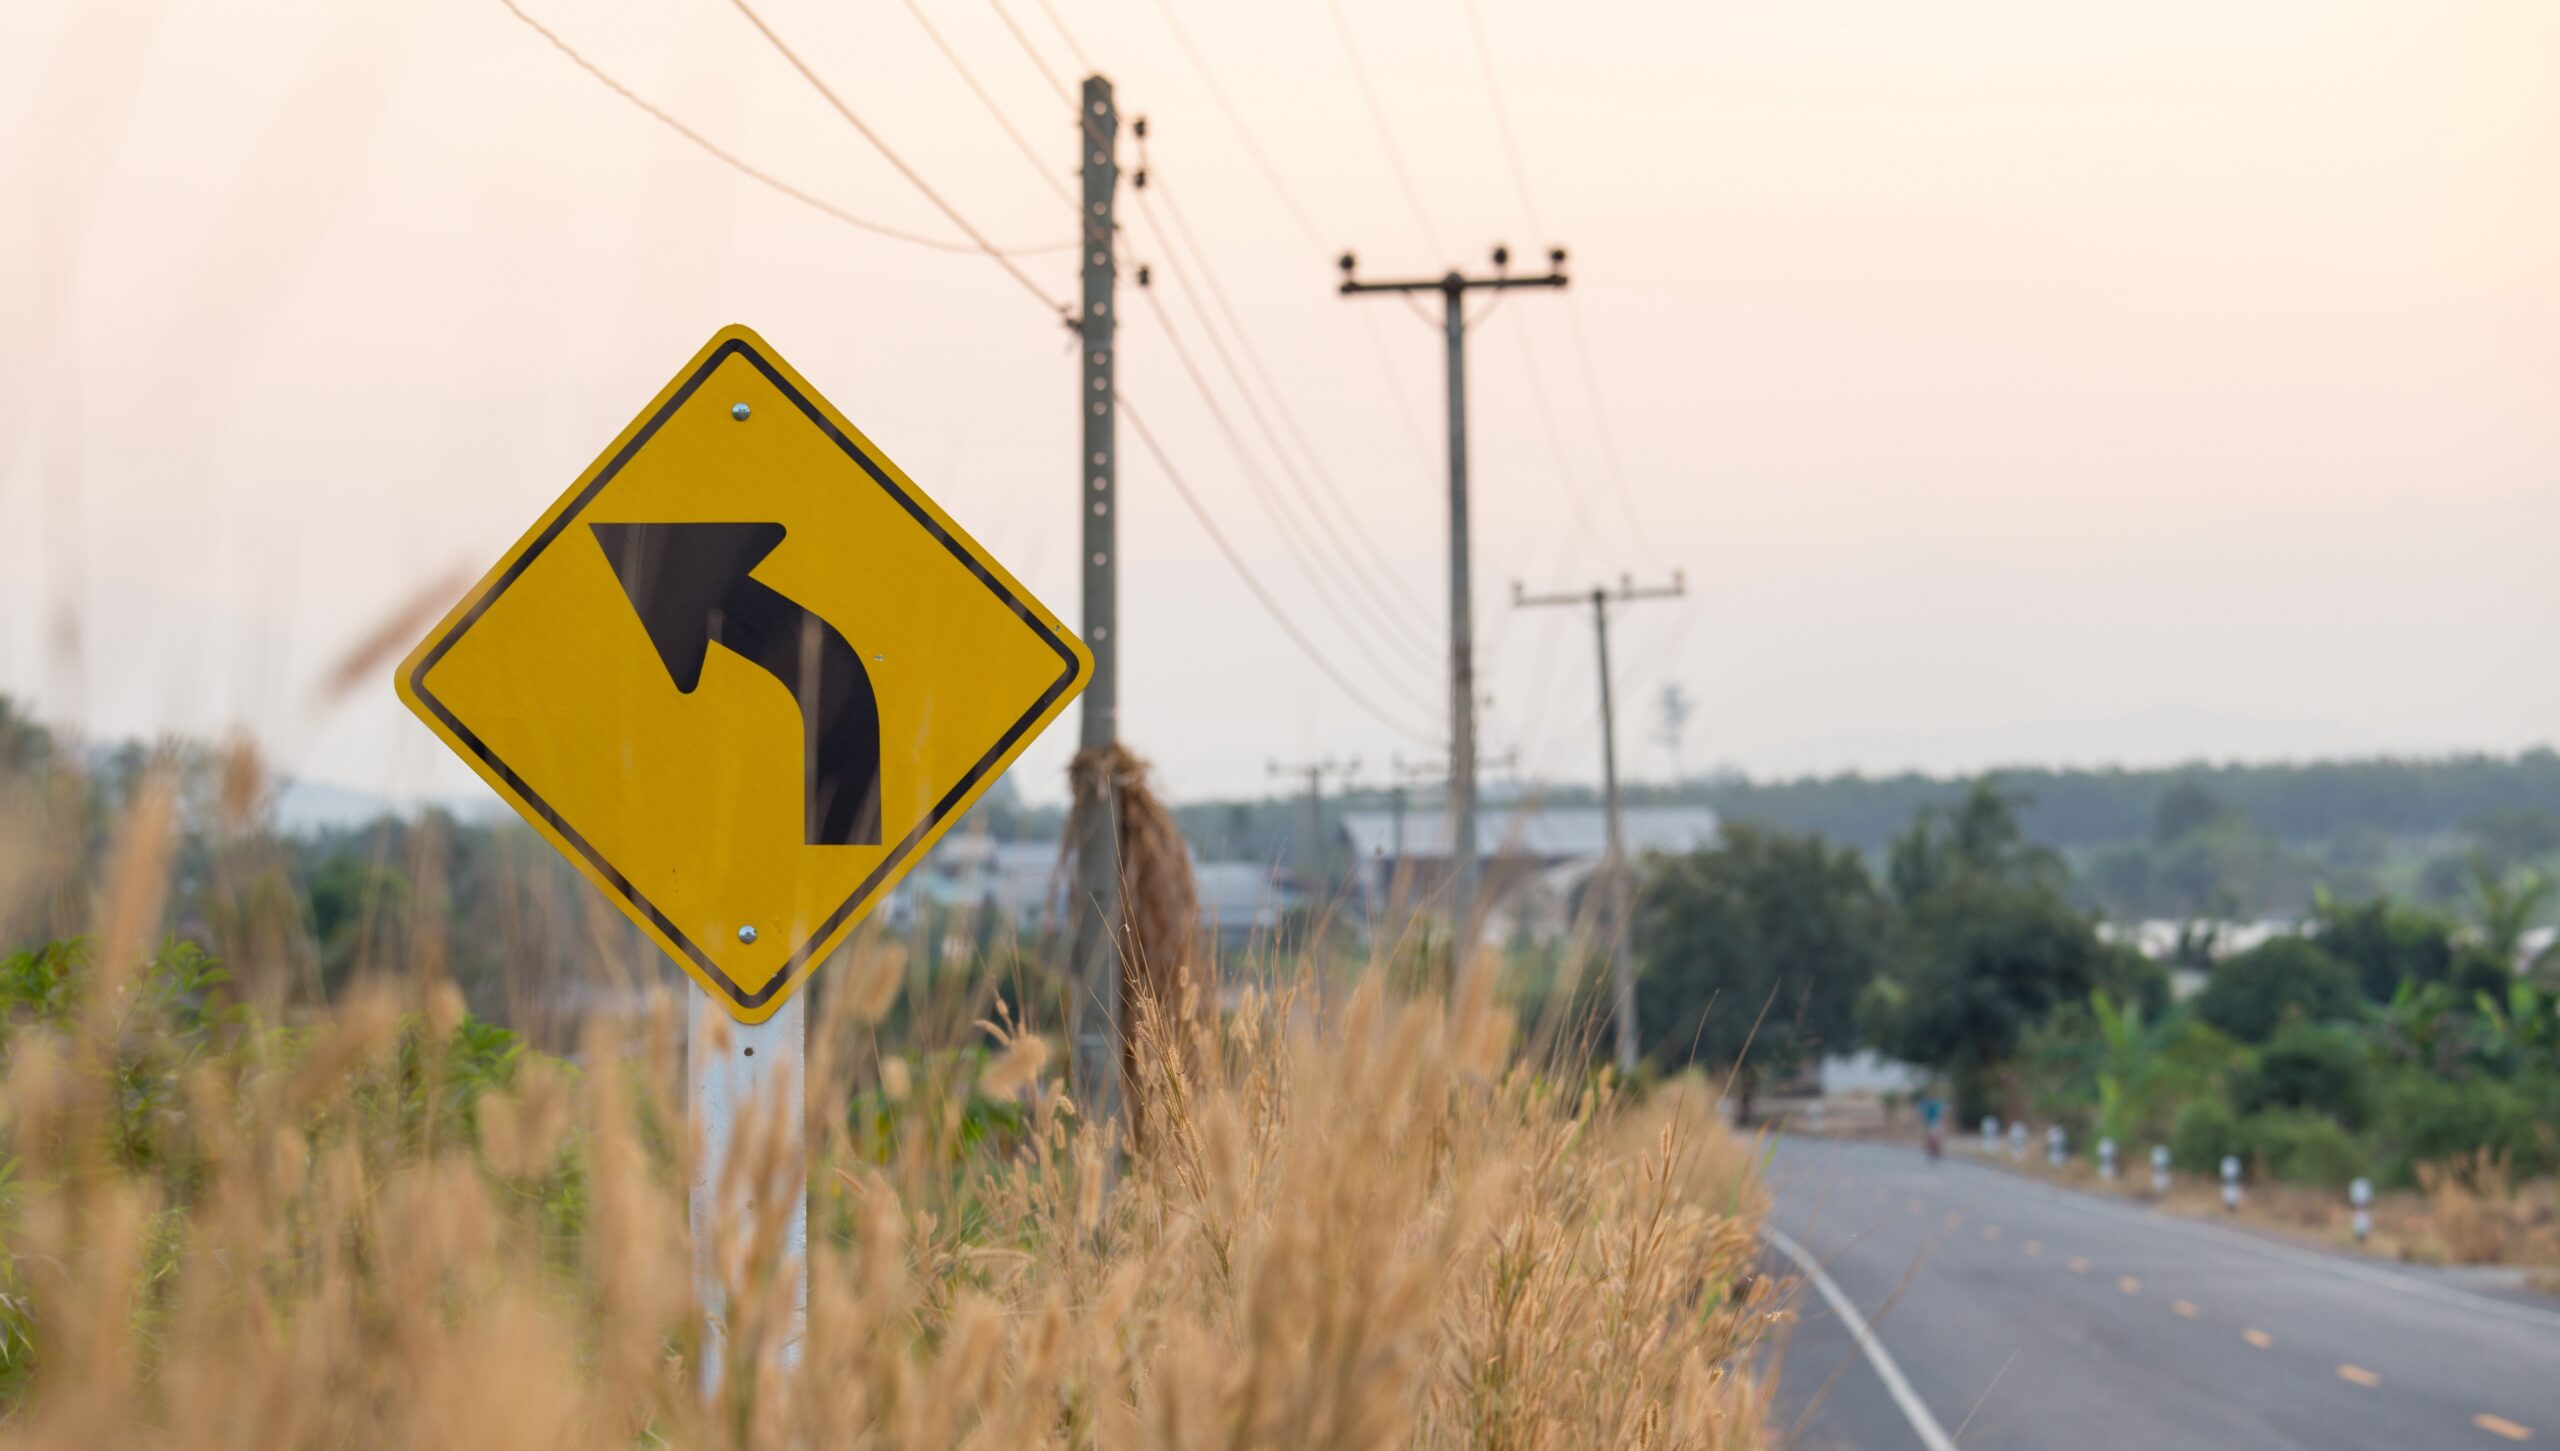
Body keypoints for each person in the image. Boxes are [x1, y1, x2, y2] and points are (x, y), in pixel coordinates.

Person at [1918, 1090, 1945, 1161]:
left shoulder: (1935, 1103)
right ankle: (1931, 1148)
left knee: (1935, 1136)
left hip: (1935, 1121)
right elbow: (1922, 1113)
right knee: (1930, 1136)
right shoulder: (1926, 1104)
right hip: (1928, 1122)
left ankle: (1936, 1148)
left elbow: (1940, 1112)